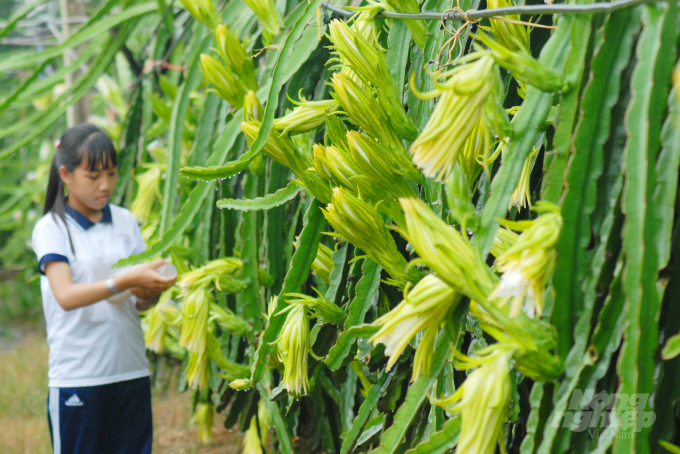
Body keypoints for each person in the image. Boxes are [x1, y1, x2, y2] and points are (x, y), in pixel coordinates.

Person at [31, 123, 177, 454]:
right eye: (94, 177)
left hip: (131, 370)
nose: (106, 185)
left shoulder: (126, 220)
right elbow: (66, 296)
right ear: (66, 175)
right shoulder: (52, 228)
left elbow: (137, 304)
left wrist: (150, 290)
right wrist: (125, 279)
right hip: (79, 378)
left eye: (111, 174)